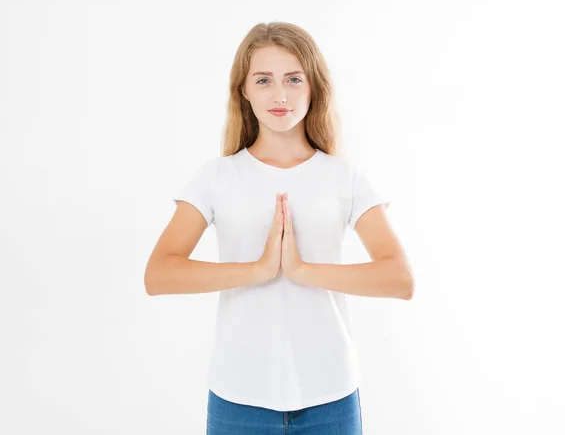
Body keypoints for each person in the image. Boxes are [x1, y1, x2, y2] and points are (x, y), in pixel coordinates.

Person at [144, 21, 414, 435]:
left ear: (314, 87)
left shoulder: (345, 177)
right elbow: (159, 274)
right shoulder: (217, 177)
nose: (280, 94)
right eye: (264, 80)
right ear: (244, 91)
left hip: (331, 395)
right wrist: (258, 269)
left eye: (293, 79)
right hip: (239, 397)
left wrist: (303, 271)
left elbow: (399, 278)